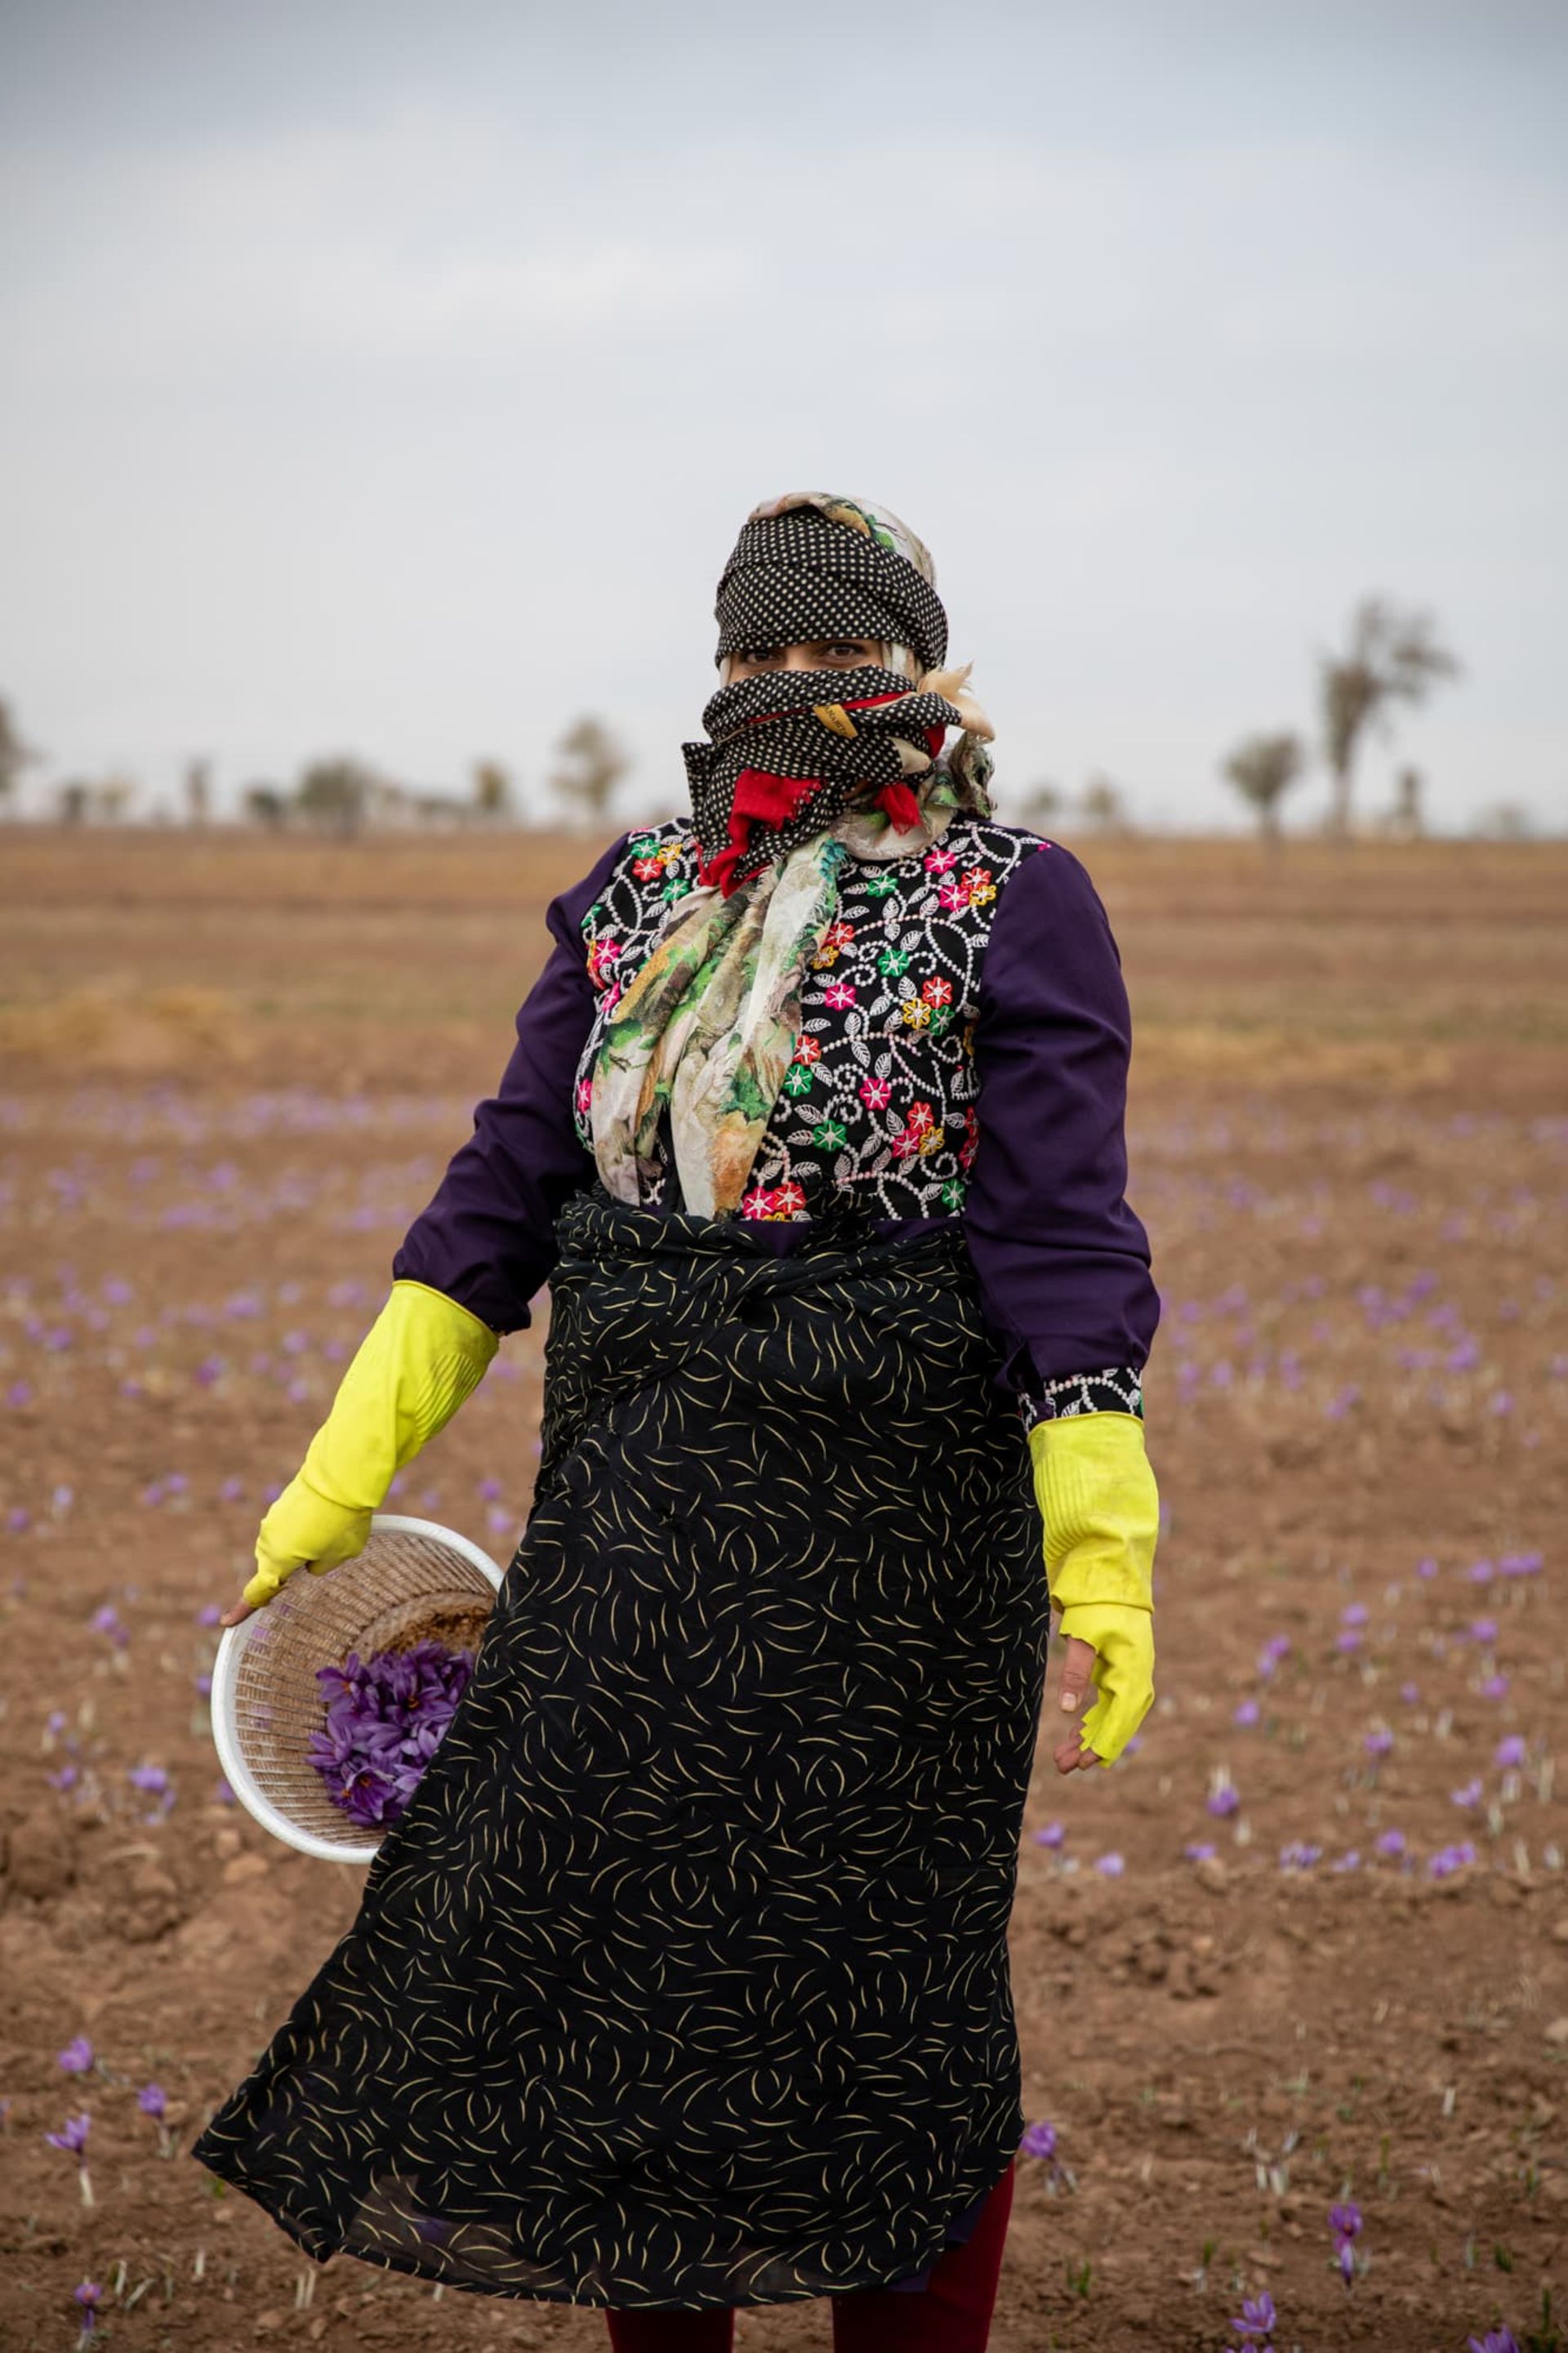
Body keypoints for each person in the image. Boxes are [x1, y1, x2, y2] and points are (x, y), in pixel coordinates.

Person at [194, 492, 1160, 2353]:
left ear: (916, 676)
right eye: (755, 657)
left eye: (836, 657)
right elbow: (500, 1200)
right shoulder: (639, 893)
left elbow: (1060, 1237)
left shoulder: (1013, 900)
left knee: (895, 1993)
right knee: (628, 1975)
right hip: (637, 1525)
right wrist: (341, 1475)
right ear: (715, 677)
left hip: (900, 1551)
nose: (793, 689)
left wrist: (1100, 1546)